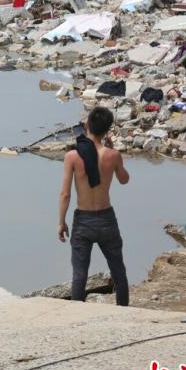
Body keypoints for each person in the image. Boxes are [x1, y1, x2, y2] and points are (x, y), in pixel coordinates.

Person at [58, 106, 130, 306]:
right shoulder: (113, 155)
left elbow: (65, 194)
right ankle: (123, 311)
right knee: (118, 271)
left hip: (83, 220)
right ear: (107, 130)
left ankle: (77, 315)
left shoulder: (72, 156)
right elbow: (124, 180)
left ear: (87, 125)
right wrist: (115, 152)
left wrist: (61, 222)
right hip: (106, 218)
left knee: (79, 274)